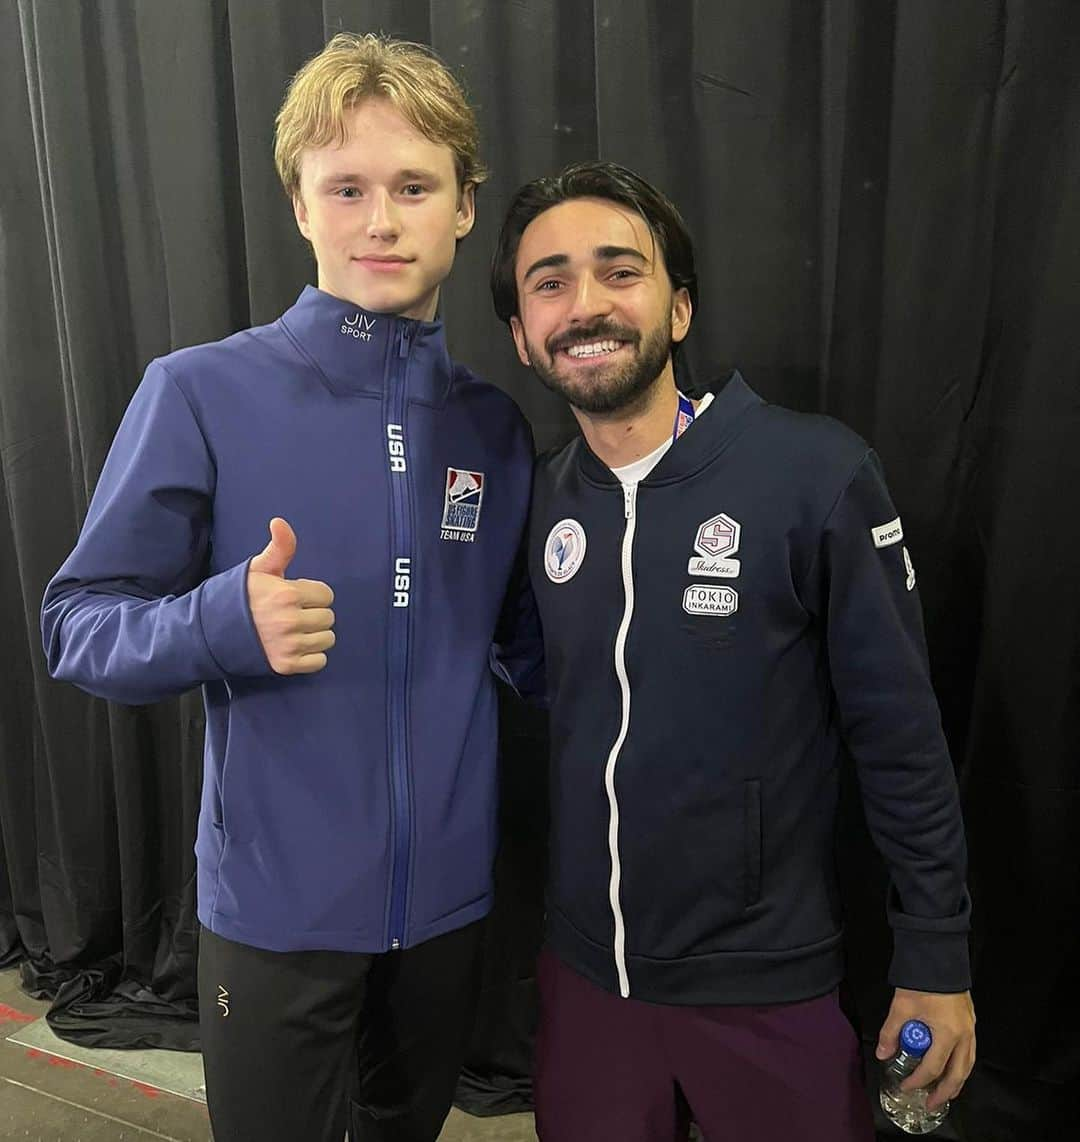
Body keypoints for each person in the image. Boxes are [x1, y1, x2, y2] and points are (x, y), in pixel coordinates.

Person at [41, 33, 540, 1142]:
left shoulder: (494, 429)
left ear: (463, 206)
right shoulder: (202, 391)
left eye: (414, 186)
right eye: (346, 188)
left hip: (447, 912)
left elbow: (524, 644)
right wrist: (223, 619)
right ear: (300, 207)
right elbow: (76, 624)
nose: (381, 218)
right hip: (276, 913)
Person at [490, 161, 976, 1142]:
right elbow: (558, 680)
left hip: (769, 988)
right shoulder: (536, 500)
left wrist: (936, 955)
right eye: (548, 281)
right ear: (520, 334)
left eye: (619, 272)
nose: (584, 303)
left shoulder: (815, 473)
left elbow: (902, 738)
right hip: (588, 986)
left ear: (678, 307)